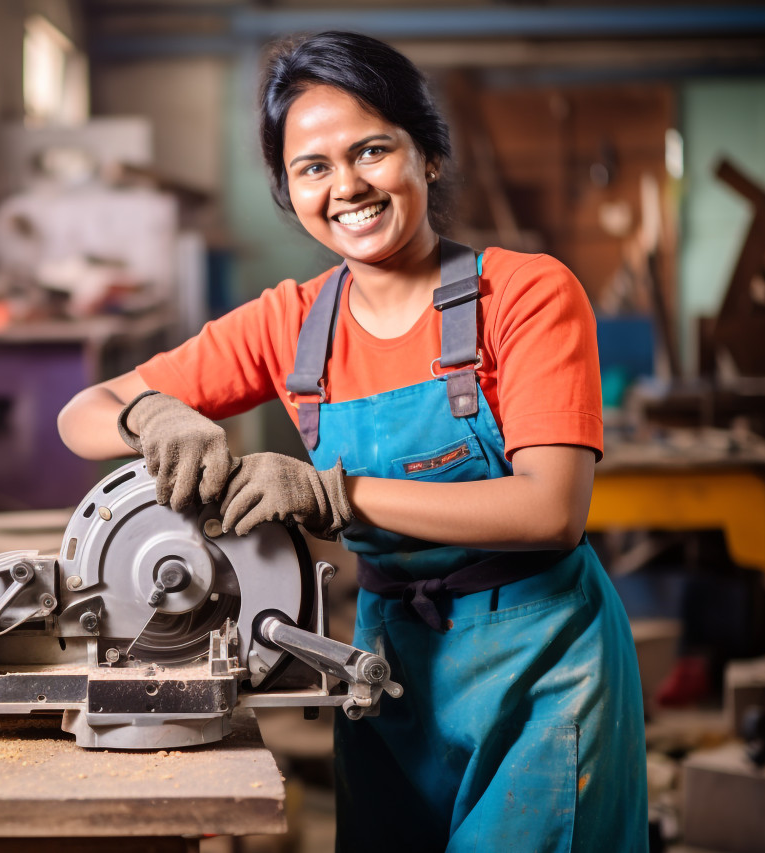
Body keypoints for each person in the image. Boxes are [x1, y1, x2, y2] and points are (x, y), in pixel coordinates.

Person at [57, 30, 647, 852]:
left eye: (373, 150)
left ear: (428, 156)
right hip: (388, 668)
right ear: (289, 188)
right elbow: (82, 410)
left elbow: (553, 509)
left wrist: (337, 494)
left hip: (540, 663)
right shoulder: (292, 321)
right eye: (313, 167)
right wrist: (150, 413)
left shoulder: (526, 295)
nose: (348, 186)